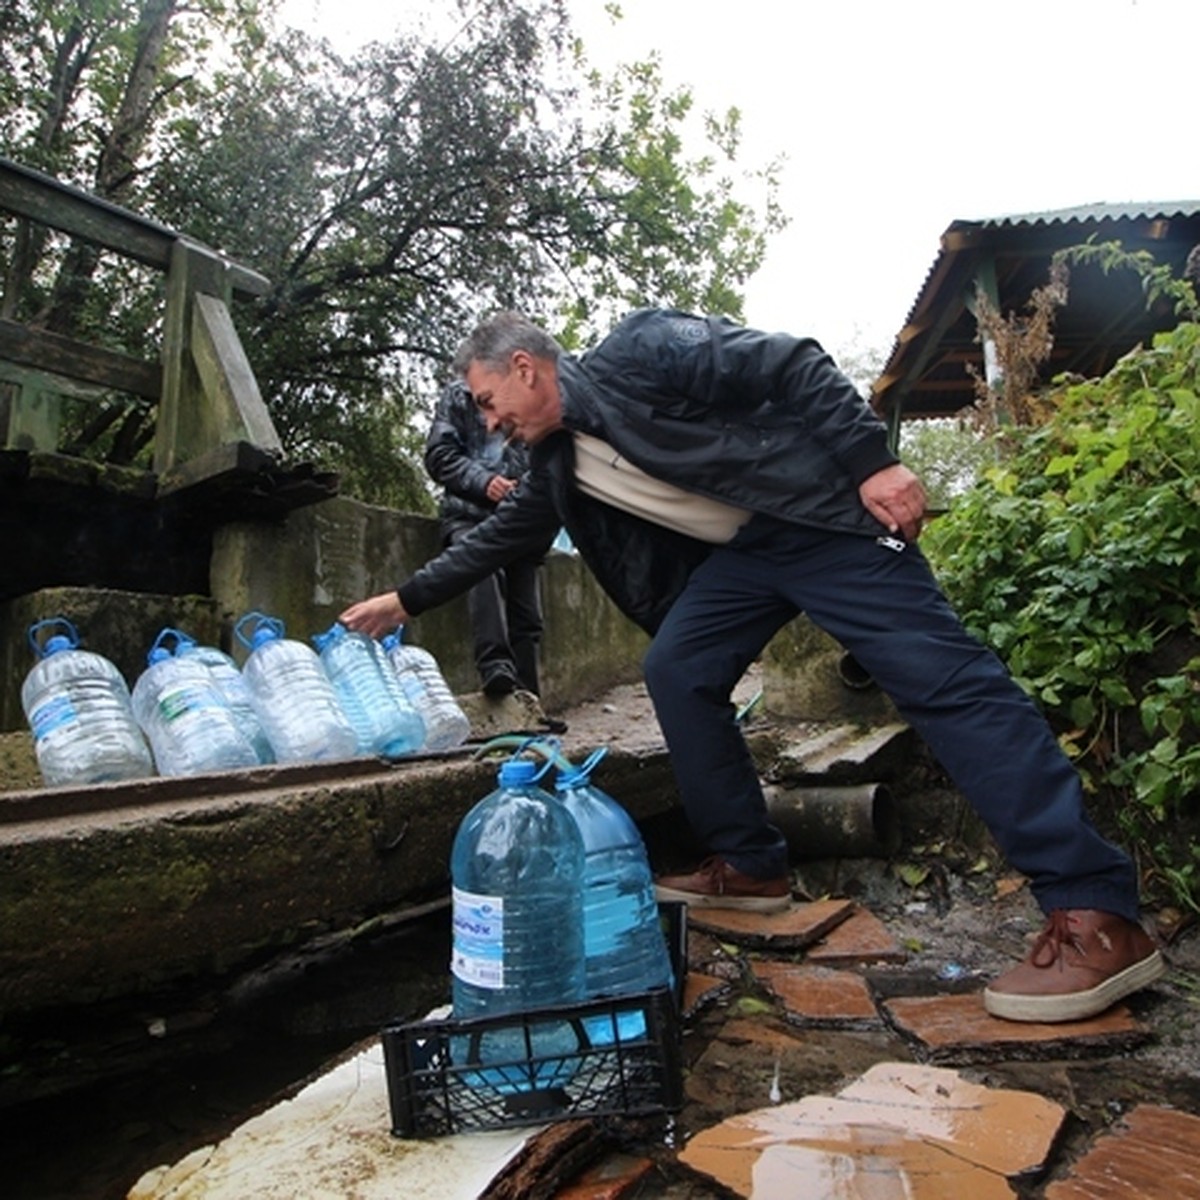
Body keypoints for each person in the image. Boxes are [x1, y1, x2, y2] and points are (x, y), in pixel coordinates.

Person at [341, 308, 1164, 1024]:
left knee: (943, 684)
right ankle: (750, 865)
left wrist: (870, 461)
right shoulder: (557, 465)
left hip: (823, 519)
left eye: (489, 403)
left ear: (525, 368)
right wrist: (403, 601)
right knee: (678, 667)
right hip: (750, 553)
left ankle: (1094, 909)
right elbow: (501, 535)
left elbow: (791, 361)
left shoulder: (641, 350)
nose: (490, 426)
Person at [424, 379, 550, 697]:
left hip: (518, 523)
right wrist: (484, 482)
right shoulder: (458, 395)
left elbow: (546, 467)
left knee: (528, 617)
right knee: (482, 572)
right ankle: (496, 670)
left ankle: (529, 704)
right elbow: (439, 455)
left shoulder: (531, 397)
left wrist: (524, 497)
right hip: (468, 516)